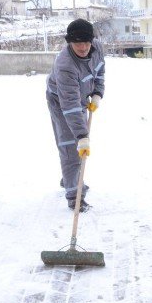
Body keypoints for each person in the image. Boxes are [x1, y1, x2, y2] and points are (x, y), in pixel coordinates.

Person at [46, 19, 105, 212]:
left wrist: (97, 93)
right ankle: (75, 197)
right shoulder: (65, 65)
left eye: (86, 42)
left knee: (75, 148)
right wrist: (81, 136)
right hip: (60, 99)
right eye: (78, 43)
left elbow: (100, 70)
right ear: (70, 42)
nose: (83, 47)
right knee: (71, 147)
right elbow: (70, 106)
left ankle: (69, 178)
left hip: (81, 95)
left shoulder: (96, 47)